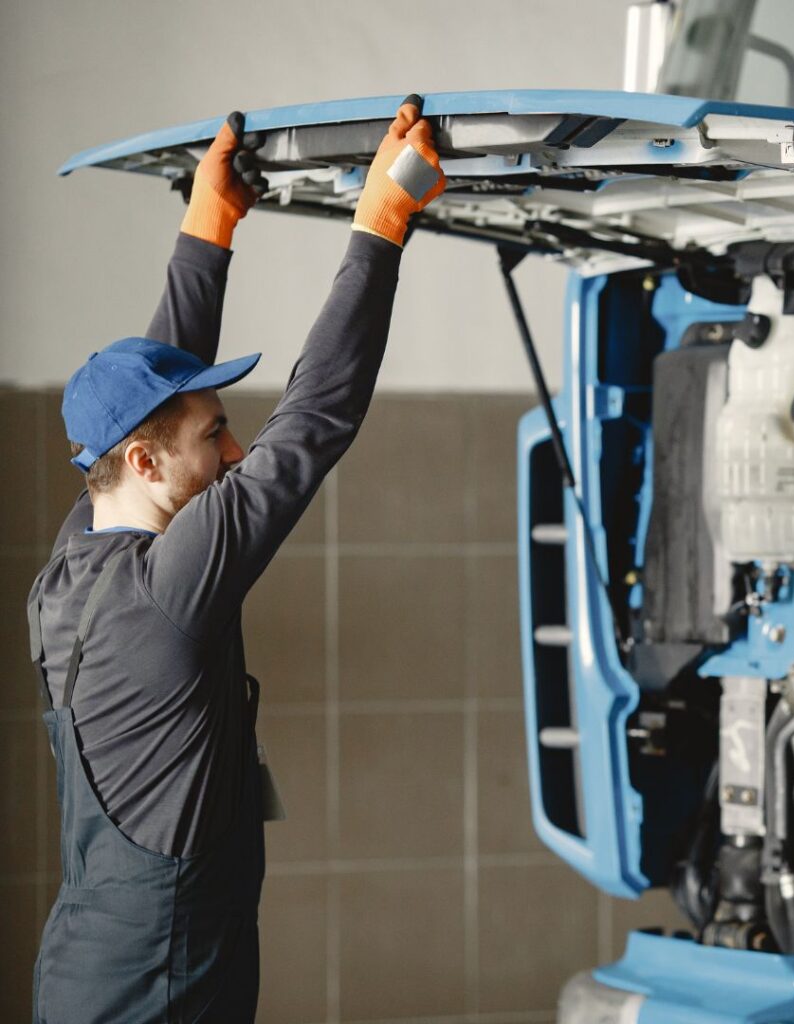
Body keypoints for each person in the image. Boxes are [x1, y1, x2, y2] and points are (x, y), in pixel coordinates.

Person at [26, 95, 445, 1024]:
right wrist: (380, 225)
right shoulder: (166, 586)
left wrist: (206, 230)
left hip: (88, 963)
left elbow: (155, 391)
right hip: (158, 989)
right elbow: (315, 422)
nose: (235, 453)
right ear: (143, 464)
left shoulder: (75, 555)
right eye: (218, 435)